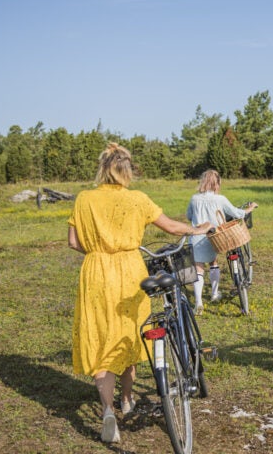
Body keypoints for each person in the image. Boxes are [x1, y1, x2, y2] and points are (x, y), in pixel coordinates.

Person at [67, 142, 212, 443]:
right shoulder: (137, 199)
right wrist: (196, 230)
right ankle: (127, 399)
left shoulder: (84, 199)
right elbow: (171, 227)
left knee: (100, 338)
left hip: (95, 272)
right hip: (130, 270)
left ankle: (107, 410)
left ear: (103, 168)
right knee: (130, 335)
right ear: (127, 171)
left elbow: (73, 242)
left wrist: (98, 251)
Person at [186, 169, 257, 314]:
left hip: (197, 236)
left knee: (198, 268)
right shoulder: (220, 199)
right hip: (214, 237)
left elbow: (189, 216)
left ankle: (198, 302)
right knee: (213, 262)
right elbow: (237, 213)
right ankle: (214, 294)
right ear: (217, 183)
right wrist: (250, 208)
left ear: (203, 181)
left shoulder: (194, 198)